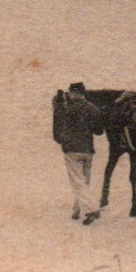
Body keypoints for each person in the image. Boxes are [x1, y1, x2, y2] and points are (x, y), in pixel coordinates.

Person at [53, 84, 103, 225]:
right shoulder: (93, 108)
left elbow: (58, 125)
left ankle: (92, 209)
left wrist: (59, 103)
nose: (69, 95)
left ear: (75, 93)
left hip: (72, 150)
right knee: (84, 182)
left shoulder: (69, 108)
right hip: (88, 150)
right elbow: (99, 131)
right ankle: (76, 210)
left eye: (70, 92)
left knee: (77, 182)